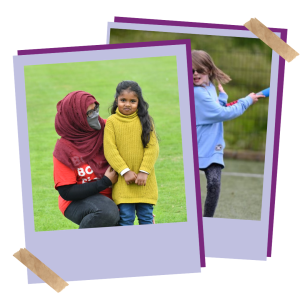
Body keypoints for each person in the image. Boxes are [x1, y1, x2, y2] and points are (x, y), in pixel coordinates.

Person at [192, 50, 265, 217]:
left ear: (209, 70)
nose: (195, 74)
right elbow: (223, 114)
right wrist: (246, 101)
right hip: (197, 146)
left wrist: (222, 98)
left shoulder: (208, 86)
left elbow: (216, 109)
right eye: (191, 71)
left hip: (213, 146)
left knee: (214, 183)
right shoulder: (196, 93)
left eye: (200, 70)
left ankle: (207, 220)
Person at [53, 90, 120, 228]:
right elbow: (67, 192)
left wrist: (141, 205)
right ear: (75, 118)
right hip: (77, 201)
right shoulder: (64, 149)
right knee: (107, 212)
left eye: (96, 109)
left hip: (115, 198)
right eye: (89, 113)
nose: (95, 115)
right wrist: (104, 182)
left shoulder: (109, 128)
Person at [104, 81, 159, 226]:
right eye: (123, 100)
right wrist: (125, 171)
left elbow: (152, 148)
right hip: (123, 183)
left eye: (132, 101)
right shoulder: (111, 122)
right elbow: (110, 150)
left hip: (145, 183)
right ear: (117, 100)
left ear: (139, 102)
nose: (127, 104)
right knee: (126, 220)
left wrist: (144, 171)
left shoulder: (145, 120)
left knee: (146, 219)